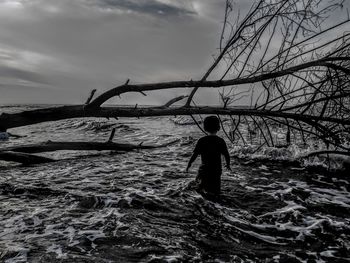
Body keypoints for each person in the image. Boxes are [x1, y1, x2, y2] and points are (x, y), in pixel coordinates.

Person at [186, 116, 230, 196]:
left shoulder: (202, 140)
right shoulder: (221, 141)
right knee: (216, 189)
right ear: (219, 128)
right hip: (216, 170)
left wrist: (189, 164)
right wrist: (228, 165)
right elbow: (227, 155)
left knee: (201, 188)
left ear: (205, 128)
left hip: (204, 169)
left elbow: (195, 155)